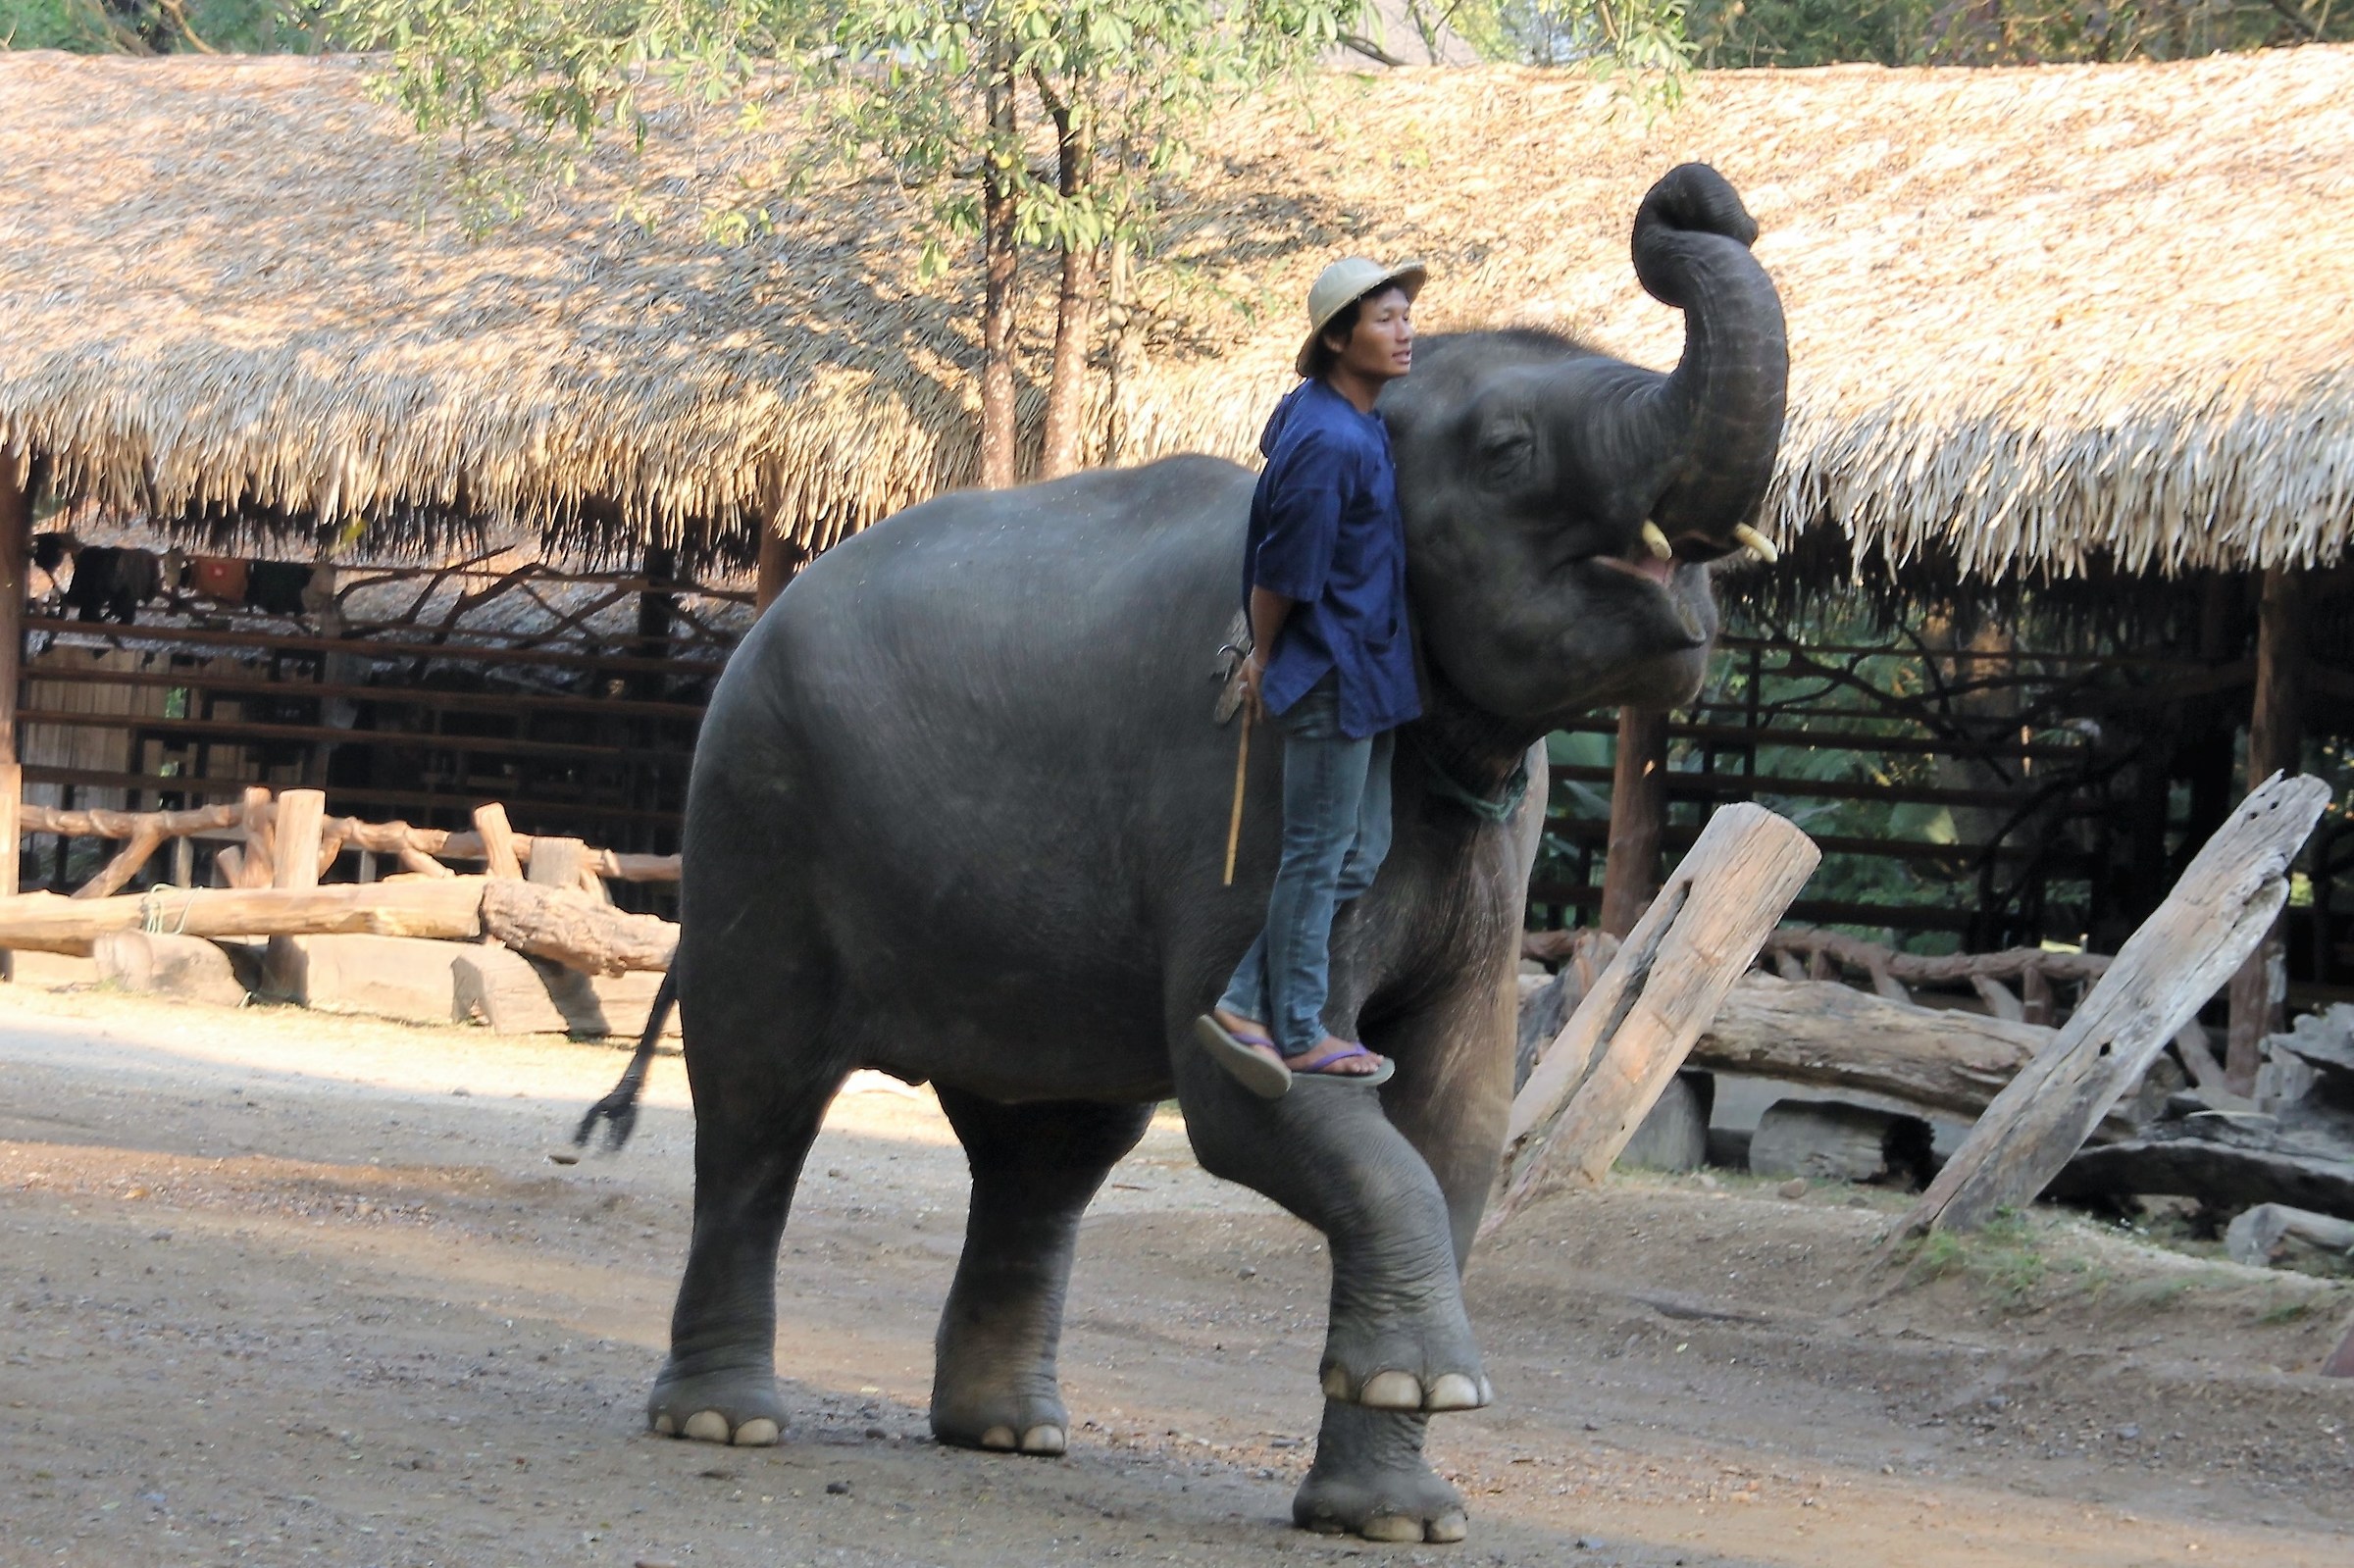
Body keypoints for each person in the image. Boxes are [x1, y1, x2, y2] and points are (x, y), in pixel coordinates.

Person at [1193, 257, 1425, 1099]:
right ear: (1336, 338)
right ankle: (1294, 1028)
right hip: (1331, 668)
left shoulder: (1341, 419)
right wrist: (1261, 654)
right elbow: (1282, 571)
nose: (1405, 332)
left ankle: (1249, 1002)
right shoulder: (1328, 439)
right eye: (1384, 320)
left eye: (1406, 316)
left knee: (1356, 851)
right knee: (1319, 851)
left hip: (1368, 670)